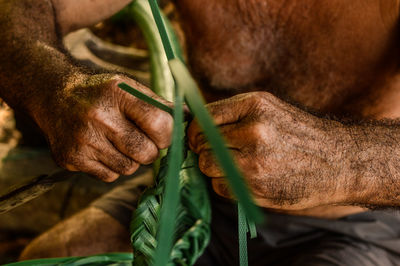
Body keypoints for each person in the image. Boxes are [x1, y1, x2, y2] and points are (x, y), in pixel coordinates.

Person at [2, 0, 400, 264]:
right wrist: (54, 85)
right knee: (53, 256)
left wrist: (341, 160)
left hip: (356, 220)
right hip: (197, 191)